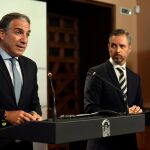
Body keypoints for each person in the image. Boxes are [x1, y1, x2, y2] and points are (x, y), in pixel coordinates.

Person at [84, 29, 143, 150]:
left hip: (128, 143)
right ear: (108, 47)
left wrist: (137, 110)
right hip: (103, 143)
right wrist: (123, 113)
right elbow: (90, 108)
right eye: (113, 46)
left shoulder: (135, 78)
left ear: (129, 48)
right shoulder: (95, 73)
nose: (117, 50)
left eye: (122, 46)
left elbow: (138, 106)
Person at [0, 12, 42, 150]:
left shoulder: (31, 66)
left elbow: (34, 103)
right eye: (19, 32)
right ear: (2, 34)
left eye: (27, 34)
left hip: (24, 143)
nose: (24, 40)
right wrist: (5, 115)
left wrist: (35, 114)